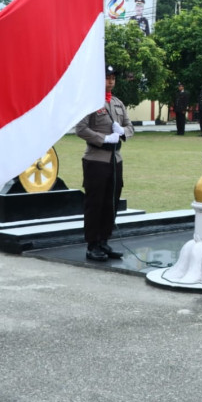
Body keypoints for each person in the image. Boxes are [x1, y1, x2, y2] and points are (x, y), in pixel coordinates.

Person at [75, 64, 134, 262]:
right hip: (96, 159)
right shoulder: (90, 103)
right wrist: (103, 138)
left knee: (111, 202)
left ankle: (104, 241)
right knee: (95, 203)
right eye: (107, 77)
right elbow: (81, 129)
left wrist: (122, 132)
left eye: (113, 78)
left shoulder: (118, 103)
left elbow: (130, 126)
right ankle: (92, 244)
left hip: (115, 159)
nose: (111, 81)